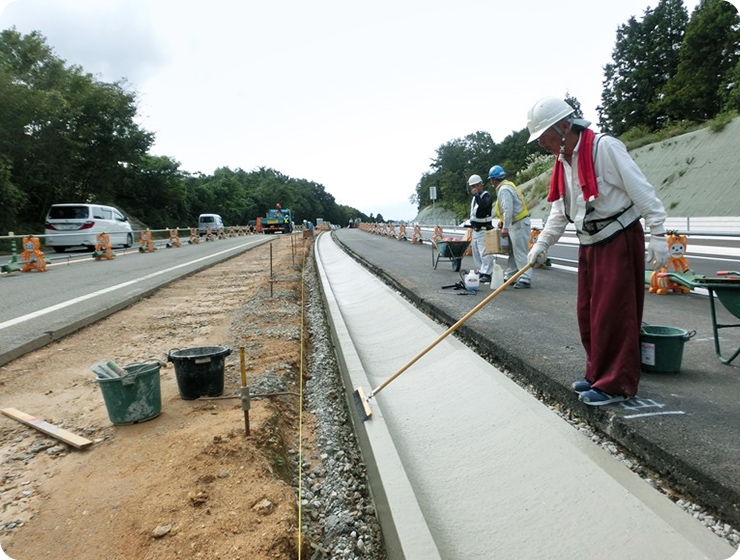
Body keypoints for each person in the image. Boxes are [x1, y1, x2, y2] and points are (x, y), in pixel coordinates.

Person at [525, 96, 669, 406]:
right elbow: (560, 211)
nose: (542, 146)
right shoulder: (563, 162)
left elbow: (641, 191)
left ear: (564, 127)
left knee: (614, 313)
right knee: (589, 312)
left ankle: (616, 384)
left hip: (618, 237)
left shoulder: (605, 148)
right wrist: (543, 243)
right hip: (589, 243)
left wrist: (658, 233)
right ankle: (597, 374)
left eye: (544, 137)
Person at [489, 165, 533, 289]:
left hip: (518, 224)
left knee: (519, 253)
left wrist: (505, 227)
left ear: (493, 179)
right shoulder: (509, 186)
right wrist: (503, 222)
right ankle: (512, 275)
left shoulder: (504, 190)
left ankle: (525, 278)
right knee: (513, 252)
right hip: (517, 223)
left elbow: (508, 209)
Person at [466, 174, 495, 283]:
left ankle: (487, 273)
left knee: (485, 252)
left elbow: (483, 208)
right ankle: (481, 270)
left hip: (484, 229)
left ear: (479, 185)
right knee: (476, 252)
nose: (472, 189)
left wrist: (477, 196)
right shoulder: (474, 198)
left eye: (474, 186)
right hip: (476, 229)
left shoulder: (486, 196)